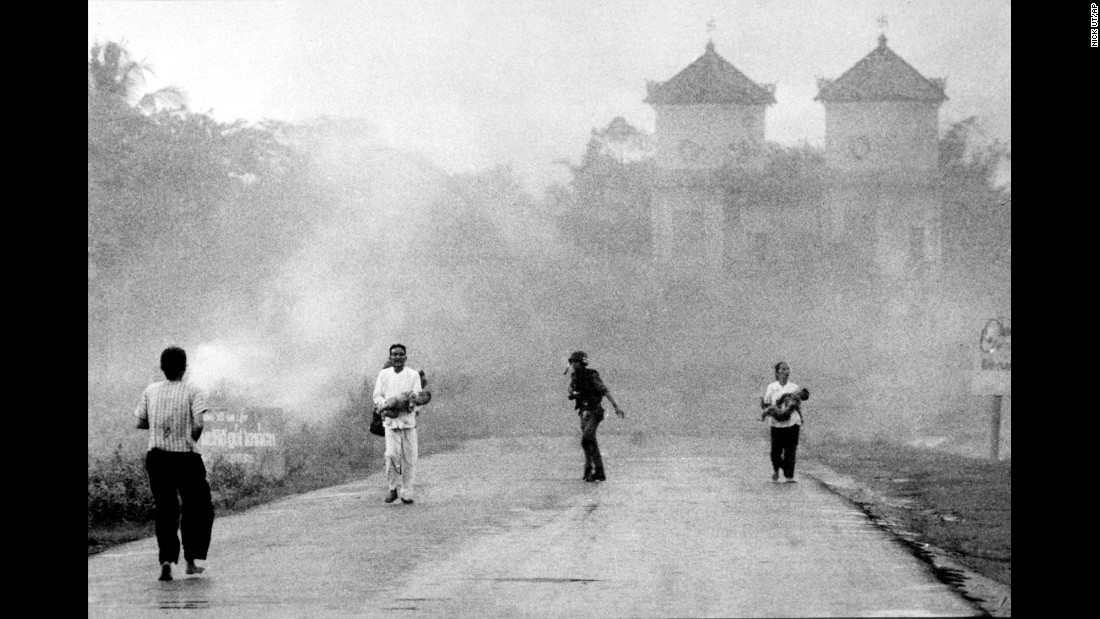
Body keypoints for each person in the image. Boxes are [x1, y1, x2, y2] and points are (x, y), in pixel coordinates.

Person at [134, 346, 214, 581]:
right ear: (184, 368)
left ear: (162, 368)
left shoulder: (151, 390)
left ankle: (167, 562)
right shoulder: (193, 391)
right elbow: (198, 424)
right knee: (197, 507)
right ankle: (191, 560)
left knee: (166, 509)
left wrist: (161, 424)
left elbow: (140, 422)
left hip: (157, 458)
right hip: (186, 457)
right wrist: (190, 438)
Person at [372, 344, 423, 504]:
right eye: (395, 355)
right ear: (390, 358)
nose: (398, 357)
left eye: (401, 354)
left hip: (408, 421)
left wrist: (410, 406)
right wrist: (386, 405)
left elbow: (418, 397)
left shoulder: (413, 375)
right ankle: (392, 488)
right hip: (390, 421)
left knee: (410, 458)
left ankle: (407, 492)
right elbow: (377, 395)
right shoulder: (384, 374)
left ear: (405, 357)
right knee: (391, 455)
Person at [565, 350, 625, 482]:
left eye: (574, 362)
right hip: (583, 412)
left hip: (595, 411)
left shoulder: (592, 375)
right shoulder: (575, 376)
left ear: (580, 362)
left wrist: (616, 407)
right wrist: (572, 392)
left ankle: (593, 470)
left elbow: (604, 390)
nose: (573, 365)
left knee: (586, 438)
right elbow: (570, 388)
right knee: (590, 441)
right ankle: (594, 472)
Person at [759, 361, 804, 483]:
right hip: (776, 423)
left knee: (791, 449)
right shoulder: (772, 387)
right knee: (776, 451)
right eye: (783, 369)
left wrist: (791, 408)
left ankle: (789, 476)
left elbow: (797, 403)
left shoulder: (794, 387)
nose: (786, 372)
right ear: (777, 372)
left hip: (792, 422)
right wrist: (772, 410)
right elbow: (767, 403)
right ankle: (776, 469)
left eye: (788, 369)